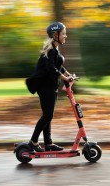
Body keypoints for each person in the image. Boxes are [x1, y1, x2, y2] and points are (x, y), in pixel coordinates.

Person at [26, 22, 72, 152]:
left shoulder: (54, 49)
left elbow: (59, 66)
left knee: (48, 115)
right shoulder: (50, 50)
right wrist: (65, 78)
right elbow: (52, 69)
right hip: (44, 86)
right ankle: (33, 142)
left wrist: (69, 75)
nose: (66, 36)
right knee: (47, 115)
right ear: (55, 35)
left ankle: (48, 143)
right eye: (63, 33)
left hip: (51, 86)